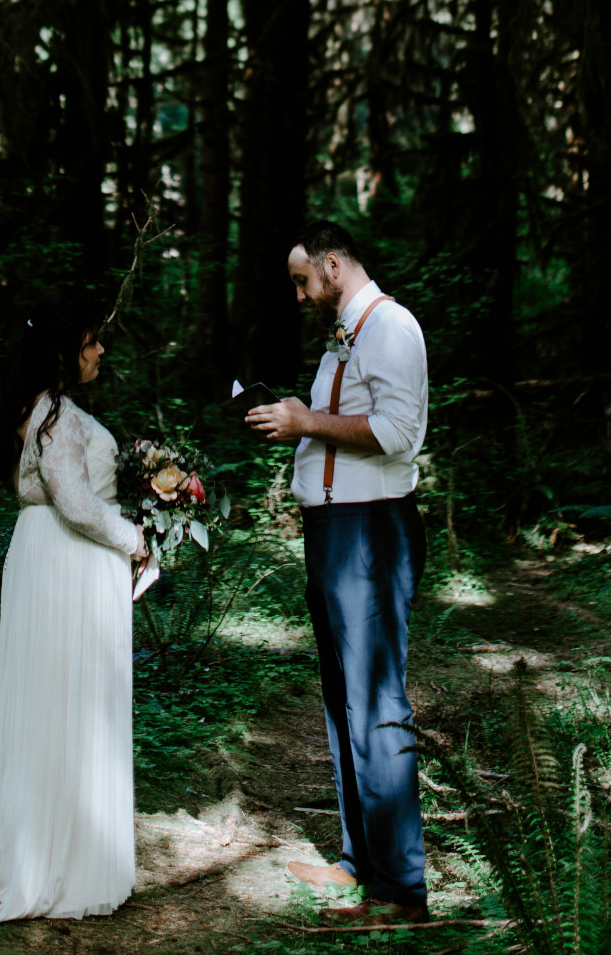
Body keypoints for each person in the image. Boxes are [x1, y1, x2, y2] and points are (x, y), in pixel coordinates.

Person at [246, 221, 429, 925]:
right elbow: (337, 425)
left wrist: (307, 422)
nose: (299, 295)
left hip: (372, 533)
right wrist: (293, 421)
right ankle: (359, 861)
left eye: (302, 281)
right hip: (331, 533)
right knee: (341, 699)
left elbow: (397, 433)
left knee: (378, 702)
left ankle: (400, 890)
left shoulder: (391, 329)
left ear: (330, 266)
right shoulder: (341, 340)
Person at [0, 297, 147, 923]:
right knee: (69, 705)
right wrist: (134, 538)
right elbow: (73, 501)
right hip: (68, 562)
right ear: (66, 350)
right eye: (92, 341)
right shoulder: (57, 414)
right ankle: (59, 867)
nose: (100, 351)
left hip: (51, 560)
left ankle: (45, 849)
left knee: (50, 704)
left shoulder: (39, 410)